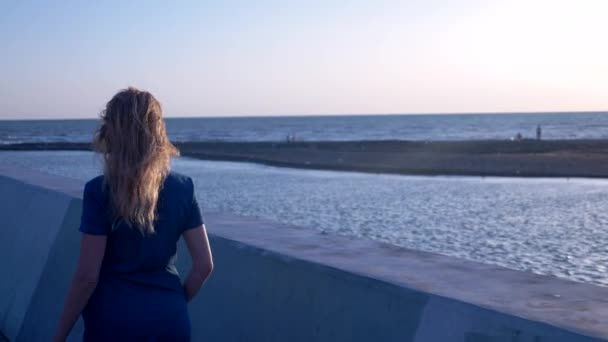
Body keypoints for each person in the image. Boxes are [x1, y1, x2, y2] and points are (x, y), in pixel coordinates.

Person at [54, 87, 214, 341]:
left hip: (113, 323)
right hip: (169, 321)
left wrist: (59, 335)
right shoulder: (183, 189)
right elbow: (204, 265)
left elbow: (87, 276)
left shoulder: (99, 192)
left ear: (111, 133)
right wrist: (172, 303)